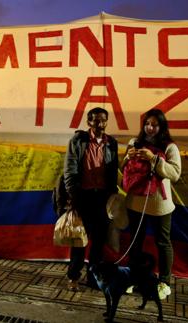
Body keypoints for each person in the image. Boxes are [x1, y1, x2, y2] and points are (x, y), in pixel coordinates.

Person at [120, 108, 181, 300]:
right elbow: (124, 170)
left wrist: (154, 159)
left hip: (159, 203)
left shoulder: (170, 147)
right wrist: (127, 158)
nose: (150, 128)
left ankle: (164, 282)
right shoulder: (134, 142)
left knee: (162, 242)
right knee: (135, 241)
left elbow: (175, 174)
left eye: (154, 124)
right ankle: (134, 277)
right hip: (136, 201)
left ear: (161, 126)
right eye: (147, 124)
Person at [63, 107, 119, 291]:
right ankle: (73, 277)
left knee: (99, 241)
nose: (100, 124)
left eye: (103, 120)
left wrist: (112, 195)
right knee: (79, 240)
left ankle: (93, 277)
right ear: (88, 122)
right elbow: (70, 170)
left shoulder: (112, 143)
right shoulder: (77, 141)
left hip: (102, 198)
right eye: (95, 120)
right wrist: (73, 195)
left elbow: (113, 172)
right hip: (83, 197)